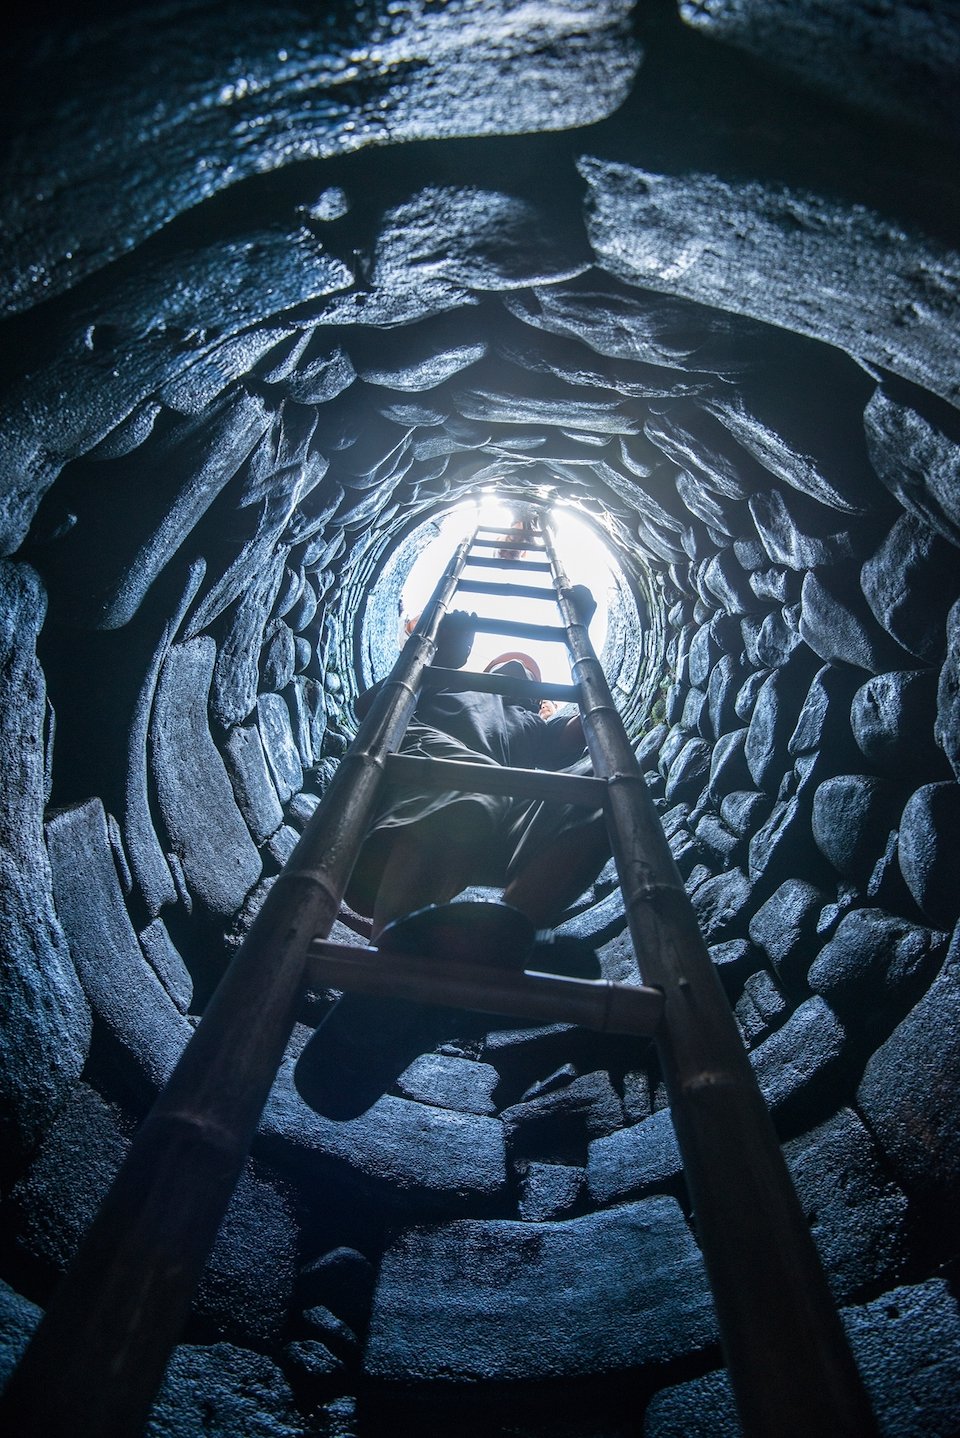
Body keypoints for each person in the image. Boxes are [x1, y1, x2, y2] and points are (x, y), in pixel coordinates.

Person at [343, 604, 610, 946]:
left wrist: (579, 639)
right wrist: (444, 655)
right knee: (476, 780)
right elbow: (371, 708)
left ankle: (499, 935)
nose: (521, 666)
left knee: (601, 786)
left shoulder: (536, 724)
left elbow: (583, 730)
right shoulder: (446, 683)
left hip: (496, 805)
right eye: (509, 661)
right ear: (486, 669)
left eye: (531, 671)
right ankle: (391, 946)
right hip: (424, 765)